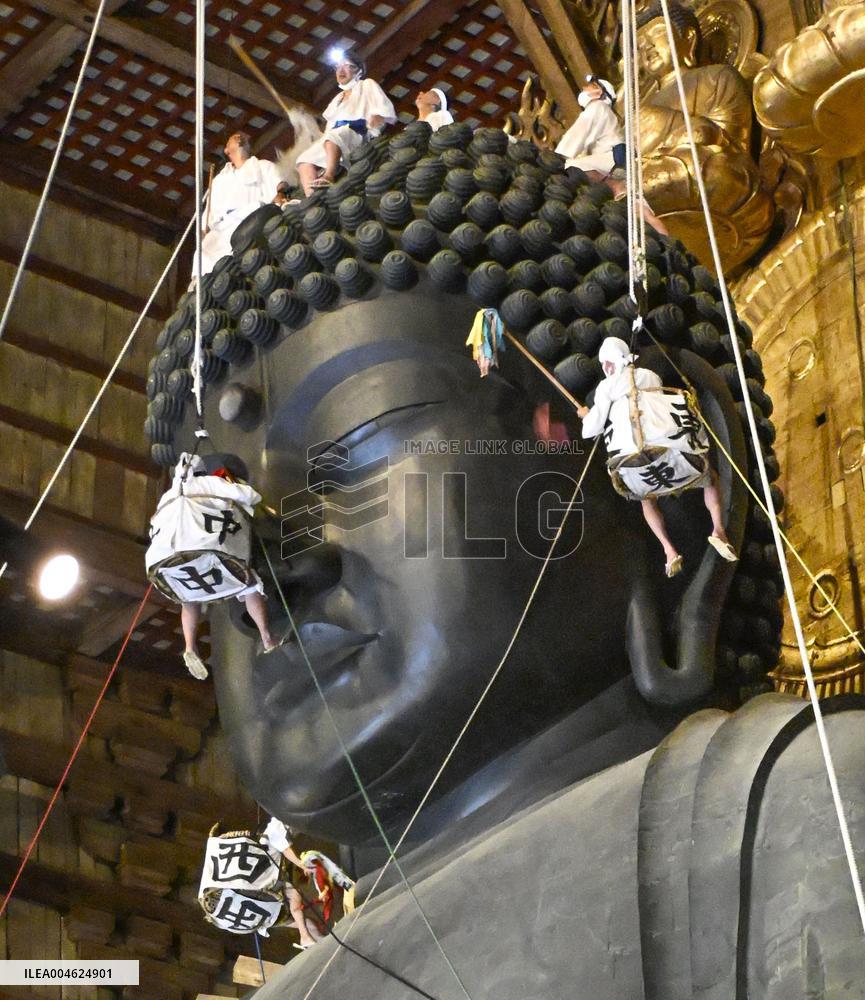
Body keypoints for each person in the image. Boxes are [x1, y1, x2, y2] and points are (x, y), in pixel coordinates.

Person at [144, 123, 865, 998]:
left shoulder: (809, 816)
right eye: (213, 524)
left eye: (362, 433)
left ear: (659, 495)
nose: (266, 568)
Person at [577, 337, 738, 577]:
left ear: (608, 365)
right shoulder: (649, 376)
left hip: (631, 453)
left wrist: (585, 415)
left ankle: (668, 549)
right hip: (669, 443)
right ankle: (718, 529)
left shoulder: (606, 387)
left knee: (646, 498)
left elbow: (590, 429)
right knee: (709, 477)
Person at [145, 453, 281, 679]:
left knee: (188, 598)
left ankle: (189, 646)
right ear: (199, 471)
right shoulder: (207, 482)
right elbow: (247, 495)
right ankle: (267, 636)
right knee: (248, 585)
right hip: (207, 549)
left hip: (166, 561)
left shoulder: (167, 497)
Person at [296, 51, 396, 195]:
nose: (340, 70)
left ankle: (328, 176)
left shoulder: (366, 85)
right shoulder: (337, 99)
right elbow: (328, 132)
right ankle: (311, 197)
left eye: (346, 66)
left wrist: (376, 119)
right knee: (303, 160)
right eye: (337, 67)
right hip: (334, 140)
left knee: (334, 137)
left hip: (357, 133)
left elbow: (383, 110)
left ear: (358, 71)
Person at [192, 132, 281, 281]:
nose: (238, 137)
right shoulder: (219, 179)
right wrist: (203, 230)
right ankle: (200, 285)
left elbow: (279, 183)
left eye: (241, 137)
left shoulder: (262, 166)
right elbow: (209, 213)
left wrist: (280, 193)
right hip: (222, 226)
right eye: (233, 138)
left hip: (251, 216)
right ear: (227, 150)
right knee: (204, 251)